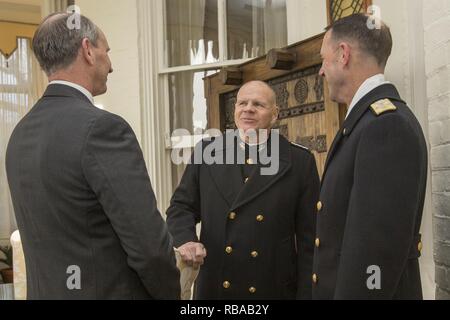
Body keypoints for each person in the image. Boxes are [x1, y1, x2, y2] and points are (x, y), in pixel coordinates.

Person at [5, 13, 180, 300]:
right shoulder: (103, 128)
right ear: (87, 50)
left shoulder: (19, 134)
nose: (110, 64)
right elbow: (149, 249)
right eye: (106, 51)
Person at [166, 80, 320, 300]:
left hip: (272, 289)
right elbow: (181, 207)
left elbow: (310, 240)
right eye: (242, 103)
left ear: (275, 114)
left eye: (258, 104)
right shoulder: (207, 152)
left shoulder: (299, 161)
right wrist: (186, 239)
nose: (248, 108)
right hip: (216, 287)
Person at [313, 13, 428, 299]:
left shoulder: (385, 125)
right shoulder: (368, 122)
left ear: (343, 55)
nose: (321, 71)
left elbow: (375, 252)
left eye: (323, 59)